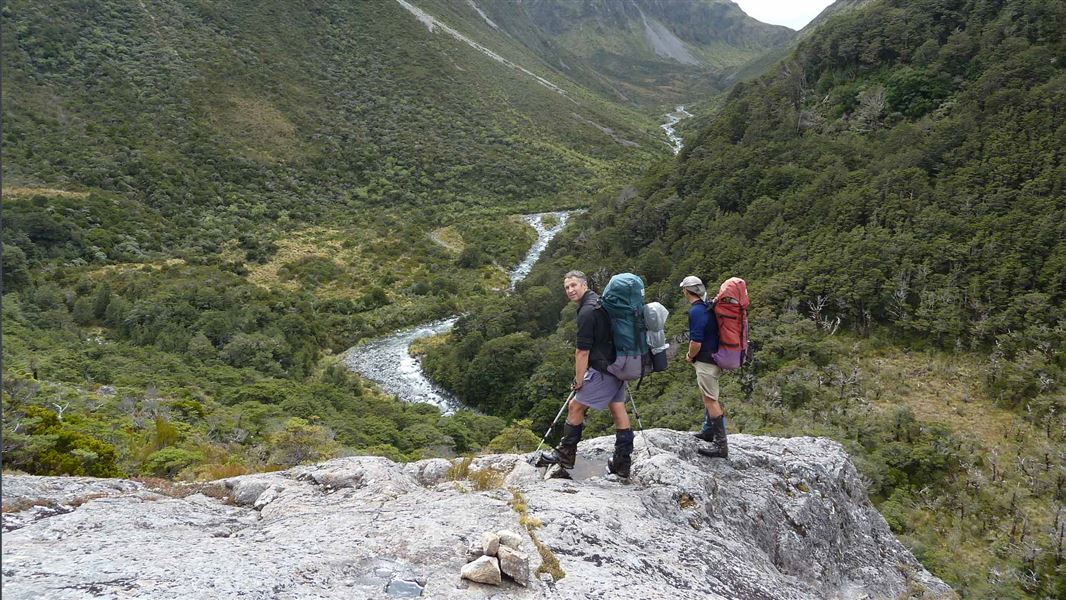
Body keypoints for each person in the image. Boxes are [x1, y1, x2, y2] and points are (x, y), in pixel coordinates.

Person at [536, 270, 635, 477]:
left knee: (575, 406)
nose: (570, 290)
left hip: (603, 368)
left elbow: (582, 351)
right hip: (619, 364)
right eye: (567, 287)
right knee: (617, 408)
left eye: (573, 285)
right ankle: (622, 463)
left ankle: (565, 458)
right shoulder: (599, 302)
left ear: (584, 285)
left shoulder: (587, 312)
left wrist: (579, 380)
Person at [680, 275, 728, 459]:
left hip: (706, 361)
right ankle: (708, 432)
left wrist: (690, 356)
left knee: (710, 400)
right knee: (707, 395)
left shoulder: (696, 312)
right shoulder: (707, 307)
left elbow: (696, 341)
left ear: (687, 291)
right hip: (715, 358)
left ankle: (720, 446)